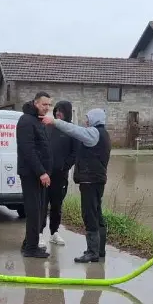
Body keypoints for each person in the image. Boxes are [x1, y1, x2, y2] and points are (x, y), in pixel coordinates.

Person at [42, 108, 110, 263]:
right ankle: (99, 250)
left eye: (88, 118)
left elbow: (73, 130)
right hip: (97, 180)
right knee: (97, 214)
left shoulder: (94, 133)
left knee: (89, 215)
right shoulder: (103, 133)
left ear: (95, 119)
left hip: (90, 181)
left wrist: (54, 122)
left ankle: (92, 252)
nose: (86, 121)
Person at [15, 91, 53, 258]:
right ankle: (31, 248)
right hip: (31, 174)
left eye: (49, 105)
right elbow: (28, 150)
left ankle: (29, 243)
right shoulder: (26, 121)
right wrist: (41, 172)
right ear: (36, 103)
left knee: (39, 210)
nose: (47, 107)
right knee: (34, 211)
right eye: (44, 104)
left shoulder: (37, 120)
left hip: (40, 174)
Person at [39, 100, 76, 248]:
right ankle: (39, 233)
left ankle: (54, 232)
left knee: (57, 205)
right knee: (42, 204)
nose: (58, 113)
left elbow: (75, 153)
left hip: (60, 176)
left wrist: (64, 166)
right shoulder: (47, 126)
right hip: (45, 174)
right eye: (57, 110)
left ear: (67, 112)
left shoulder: (71, 130)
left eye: (61, 110)